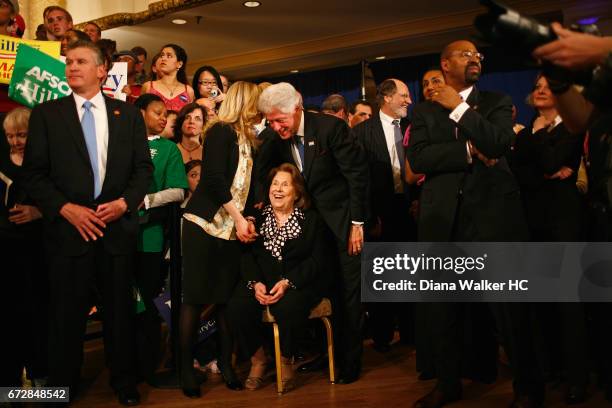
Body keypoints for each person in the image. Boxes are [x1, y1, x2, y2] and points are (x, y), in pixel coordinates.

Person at [22, 40, 152, 405]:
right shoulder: (47, 115)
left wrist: (125, 203)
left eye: (81, 61)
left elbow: (143, 169)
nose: (72, 66)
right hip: (68, 232)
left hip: (115, 231)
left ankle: (124, 383)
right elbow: (34, 175)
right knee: (65, 316)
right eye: (69, 62)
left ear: (101, 70)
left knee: (120, 314)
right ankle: (62, 386)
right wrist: (66, 209)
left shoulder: (126, 115)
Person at [408, 40, 531, 408]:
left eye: (478, 55)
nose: (475, 58)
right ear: (445, 64)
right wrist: (465, 151)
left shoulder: (496, 102)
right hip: (444, 223)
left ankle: (527, 388)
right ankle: (448, 384)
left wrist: (460, 108)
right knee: (444, 312)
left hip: (493, 222)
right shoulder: (423, 112)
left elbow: (495, 143)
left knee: (510, 311)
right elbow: (419, 157)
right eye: (465, 54)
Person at [257, 82, 368, 384]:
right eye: (270, 121)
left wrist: (357, 224)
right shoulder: (274, 137)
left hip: (343, 225)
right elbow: (262, 176)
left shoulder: (330, 128)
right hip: (309, 230)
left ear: (297, 109)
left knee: (348, 295)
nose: (276, 126)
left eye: (280, 120)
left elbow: (357, 177)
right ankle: (324, 354)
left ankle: (349, 362)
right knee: (319, 290)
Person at [510, 74, 589, 404]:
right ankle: (551, 368)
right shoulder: (528, 130)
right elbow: (521, 172)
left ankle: (578, 378)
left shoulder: (572, 126)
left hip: (566, 224)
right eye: (537, 86)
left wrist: (540, 155)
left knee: (569, 304)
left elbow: (552, 161)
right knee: (542, 303)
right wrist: (545, 170)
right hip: (534, 224)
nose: (540, 90)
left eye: (549, 86)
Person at [179, 81, 260, 398]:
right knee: (195, 298)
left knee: (226, 300)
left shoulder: (249, 139)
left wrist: (248, 217)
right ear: (244, 102)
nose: (260, 111)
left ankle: (226, 365)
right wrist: (239, 217)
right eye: (255, 103)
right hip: (203, 224)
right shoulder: (219, 131)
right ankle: (186, 370)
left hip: (231, 228)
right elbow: (212, 179)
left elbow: (248, 188)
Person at [228, 163, 330, 391]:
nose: (278, 189)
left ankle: (285, 359)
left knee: (289, 306)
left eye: (285, 185)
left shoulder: (312, 220)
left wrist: (288, 282)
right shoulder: (256, 219)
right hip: (262, 282)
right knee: (237, 306)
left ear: (297, 193)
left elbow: (317, 260)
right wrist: (255, 283)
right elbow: (247, 256)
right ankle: (258, 360)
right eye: (275, 184)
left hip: (298, 283)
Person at [352, 78, 414, 353]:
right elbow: (358, 180)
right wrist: (367, 217)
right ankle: (382, 335)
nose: (408, 101)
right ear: (387, 97)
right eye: (404, 96)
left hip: (412, 209)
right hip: (379, 214)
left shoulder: (414, 128)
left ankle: (413, 332)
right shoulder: (362, 132)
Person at [133, 93, 188, 383]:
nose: (163, 118)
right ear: (140, 113)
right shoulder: (121, 145)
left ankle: (147, 365)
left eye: (165, 113)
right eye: (157, 112)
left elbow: (179, 190)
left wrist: (146, 199)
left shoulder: (168, 149)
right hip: (117, 238)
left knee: (147, 302)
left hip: (151, 238)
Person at [0, 107, 48, 387]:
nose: (15, 142)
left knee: (38, 314)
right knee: (8, 316)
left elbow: (64, 199)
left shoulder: (45, 162)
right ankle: (9, 382)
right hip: (5, 251)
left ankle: (40, 374)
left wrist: (38, 212)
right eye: (9, 136)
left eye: (21, 135)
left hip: (37, 250)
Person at [142, 44, 194, 112]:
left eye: (169, 56)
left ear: (179, 64)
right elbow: (140, 115)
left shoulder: (188, 91)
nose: (163, 58)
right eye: (162, 55)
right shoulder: (148, 86)